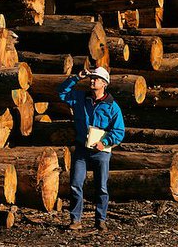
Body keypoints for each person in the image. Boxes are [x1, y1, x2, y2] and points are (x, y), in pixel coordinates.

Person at [57, 67, 125, 231]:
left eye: (96, 79)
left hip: (101, 152)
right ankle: (75, 220)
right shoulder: (80, 98)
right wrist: (75, 78)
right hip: (82, 149)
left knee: (101, 187)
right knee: (75, 184)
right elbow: (61, 93)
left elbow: (119, 131)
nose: (92, 81)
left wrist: (105, 142)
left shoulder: (112, 107)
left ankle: (100, 220)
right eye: (91, 78)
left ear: (104, 84)